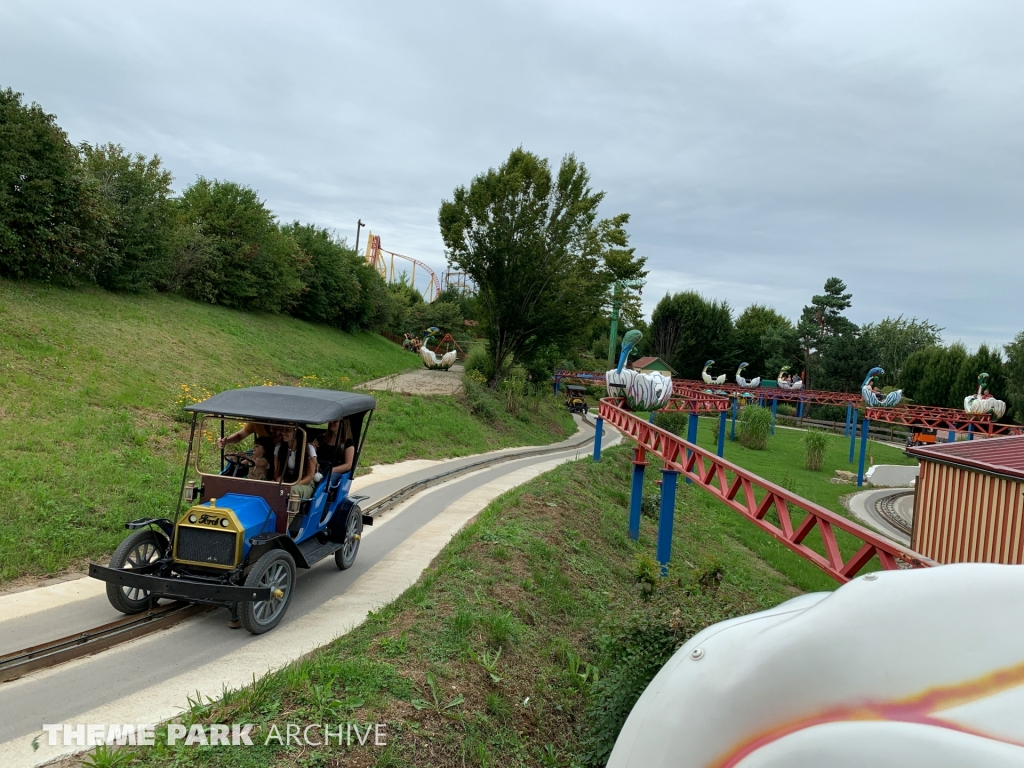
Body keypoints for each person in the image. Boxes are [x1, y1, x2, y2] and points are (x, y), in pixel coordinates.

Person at [275, 425, 318, 498]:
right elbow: (277, 473)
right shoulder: (278, 448)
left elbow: (309, 476)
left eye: (287, 430)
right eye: (282, 430)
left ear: (297, 432)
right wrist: (282, 484)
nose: (283, 433)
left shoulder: (308, 449)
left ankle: (290, 509)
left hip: (304, 483)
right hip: (286, 481)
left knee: (291, 491)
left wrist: (292, 485)